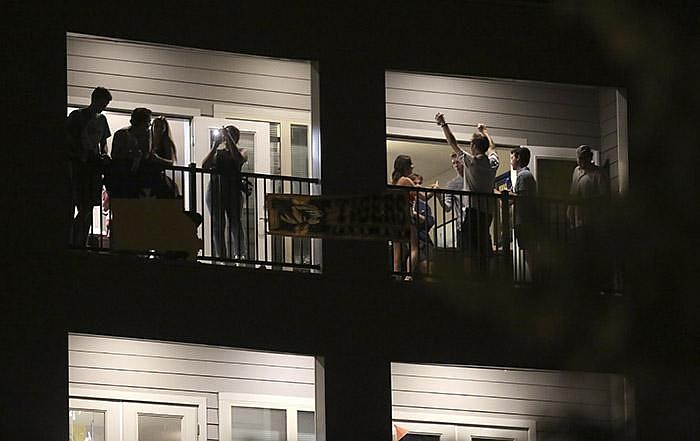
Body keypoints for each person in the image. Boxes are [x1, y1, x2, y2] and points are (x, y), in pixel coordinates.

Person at [435, 113, 497, 268]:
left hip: (473, 211)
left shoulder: (472, 162)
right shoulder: (493, 163)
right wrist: (485, 131)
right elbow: (493, 147)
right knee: (483, 246)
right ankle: (486, 277)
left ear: (474, 147)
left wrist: (443, 124)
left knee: (469, 250)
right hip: (488, 213)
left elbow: (453, 142)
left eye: (471, 145)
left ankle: (471, 280)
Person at [66, 86, 112, 247]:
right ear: (95, 100)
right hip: (79, 165)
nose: (103, 107)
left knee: (88, 207)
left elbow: (104, 142)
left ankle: (80, 241)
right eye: (103, 103)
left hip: (93, 165)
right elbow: (69, 139)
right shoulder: (77, 116)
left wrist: (105, 153)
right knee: (80, 203)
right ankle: (73, 240)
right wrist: (79, 154)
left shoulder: (102, 119)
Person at [202, 125, 248, 259]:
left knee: (235, 222)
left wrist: (229, 139)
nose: (227, 137)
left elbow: (238, 159)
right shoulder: (218, 152)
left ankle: (240, 254)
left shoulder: (242, 150)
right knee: (218, 223)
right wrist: (215, 145)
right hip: (216, 190)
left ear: (237, 137)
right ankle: (221, 256)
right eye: (226, 134)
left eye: (231, 134)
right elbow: (204, 165)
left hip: (233, 191)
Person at [108, 108, 153, 198]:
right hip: (121, 177)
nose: (149, 124)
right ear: (139, 122)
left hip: (139, 179)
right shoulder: (121, 134)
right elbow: (115, 155)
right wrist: (131, 154)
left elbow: (146, 154)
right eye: (147, 121)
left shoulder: (148, 135)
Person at [509, 147, 538, 276]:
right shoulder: (525, 176)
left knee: (529, 251)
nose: (511, 161)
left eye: (512, 158)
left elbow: (522, 199)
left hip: (525, 220)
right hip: (525, 220)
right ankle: (534, 278)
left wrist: (505, 195)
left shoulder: (523, 176)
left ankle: (534, 279)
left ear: (518, 158)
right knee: (527, 250)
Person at [390, 155, 419, 277]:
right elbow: (423, 196)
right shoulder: (406, 181)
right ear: (405, 167)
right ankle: (409, 275)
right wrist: (434, 189)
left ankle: (396, 275)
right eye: (410, 164)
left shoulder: (394, 182)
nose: (412, 166)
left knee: (396, 250)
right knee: (414, 247)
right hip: (406, 216)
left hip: (395, 218)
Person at [144, 116, 179, 198]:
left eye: (161, 127)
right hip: (146, 174)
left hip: (159, 175)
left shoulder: (166, 142)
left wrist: (157, 159)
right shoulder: (147, 139)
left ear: (165, 129)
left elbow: (171, 162)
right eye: (156, 126)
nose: (158, 129)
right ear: (152, 127)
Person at [411, 174, 436, 273]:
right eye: (415, 183)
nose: (417, 185)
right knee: (423, 265)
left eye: (419, 183)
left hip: (425, 239)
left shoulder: (423, 205)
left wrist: (417, 216)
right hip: (412, 240)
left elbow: (430, 222)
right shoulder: (408, 202)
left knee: (431, 266)